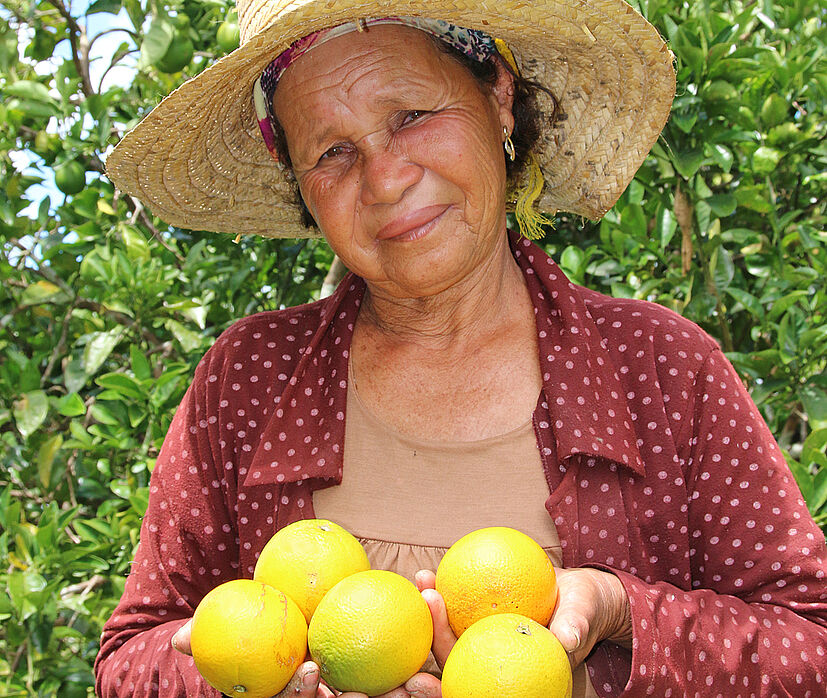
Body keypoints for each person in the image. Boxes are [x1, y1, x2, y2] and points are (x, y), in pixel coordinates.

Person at [94, 1, 827, 696]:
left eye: (411, 117)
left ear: (498, 100)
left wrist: (621, 618)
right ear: (302, 189)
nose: (385, 179)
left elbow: (811, 644)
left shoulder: (659, 368)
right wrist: (240, 678)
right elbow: (129, 659)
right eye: (333, 152)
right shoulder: (249, 379)